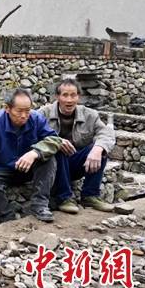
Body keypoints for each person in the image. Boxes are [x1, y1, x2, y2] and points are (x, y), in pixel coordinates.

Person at [0, 88, 62, 223]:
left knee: (49, 159)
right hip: (1, 171)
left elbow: (55, 140)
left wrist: (35, 152)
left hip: (27, 167)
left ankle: (40, 205)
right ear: (7, 108)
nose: (24, 115)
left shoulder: (36, 118)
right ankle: (6, 215)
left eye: (27, 110)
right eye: (19, 111)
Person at [39, 78, 116, 213]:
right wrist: (56, 142)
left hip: (77, 163)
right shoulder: (43, 114)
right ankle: (64, 198)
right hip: (53, 167)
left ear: (78, 97)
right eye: (65, 95)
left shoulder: (90, 115)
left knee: (100, 148)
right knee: (57, 147)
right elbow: (32, 136)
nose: (69, 100)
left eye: (73, 95)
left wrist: (98, 149)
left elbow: (107, 134)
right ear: (57, 97)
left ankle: (90, 195)